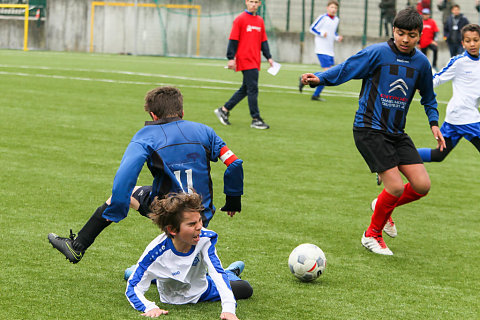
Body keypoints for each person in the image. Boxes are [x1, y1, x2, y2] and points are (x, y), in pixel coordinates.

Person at [301, 7, 446, 256]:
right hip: (369, 129)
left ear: (419, 36)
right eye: (400, 33)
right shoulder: (376, 53)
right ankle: (372, 235)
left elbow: (429, 97)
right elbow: (347, 68)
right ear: (393, 31)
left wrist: (434, 122)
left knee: (422, 185)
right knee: (396, 187)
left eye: (411, 35)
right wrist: (321, 78)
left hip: (396, 133)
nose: (404, 39)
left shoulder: (421, 63)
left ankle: (380, 204)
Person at [48, 86, 244, 264]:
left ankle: (77, 247)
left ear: (153, 115)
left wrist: (117, 209)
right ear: (182, 112)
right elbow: (234, 163)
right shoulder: (205, 132)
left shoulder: (145, 136)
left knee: (126, 195)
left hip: (168, 210)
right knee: (139, 198)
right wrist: (233, 200)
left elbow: (125, 177)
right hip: (201, 211)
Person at [125, 192, 252, 319]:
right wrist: (149, 307)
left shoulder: (205, 239)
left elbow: (217, 273)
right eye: (192, 224)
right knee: (134, 277)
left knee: (245, 288)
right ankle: (137, 271)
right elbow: (132, 289)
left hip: (202, 291)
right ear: (172, 230)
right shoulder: (155, 252)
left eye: (200, 220)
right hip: (169, 288)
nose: (199, 227)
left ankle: (230, 273)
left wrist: (229, 309)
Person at [417, 24, 480, 163]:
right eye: (468, 41)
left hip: (455, 118)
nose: (472, 44)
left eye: (476, 40)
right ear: (463, 44)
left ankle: (397, 158)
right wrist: (421, 84)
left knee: (438, 155)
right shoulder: (459, 62)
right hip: (465, 116)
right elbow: (438, 78)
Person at [214, 0, 273, 130]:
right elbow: (233, 39)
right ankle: (256, 119)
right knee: (253, 89)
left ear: (259, 4)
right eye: (251, 1)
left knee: (246, 89)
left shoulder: (260, 21)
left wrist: (269, 57)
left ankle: (224, 109)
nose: (253, 4)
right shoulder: (240, 19)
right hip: (245, 59)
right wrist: (231, 58)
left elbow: (263, 41)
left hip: (255, 60)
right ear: (246, 2)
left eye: (256, 2)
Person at [299, 0, 343, 101]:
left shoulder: (336, 19)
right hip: (321, 49)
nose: (333, 9)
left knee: (329, 73)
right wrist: (321, 33)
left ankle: (306, 81)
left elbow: (333, 33)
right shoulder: (323, 18)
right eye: (332, 7)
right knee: (328, 73)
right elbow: (312, 28)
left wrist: (337, 37)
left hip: (330, 50)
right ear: (327, 8)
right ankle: (315, 94)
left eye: (335, 8)